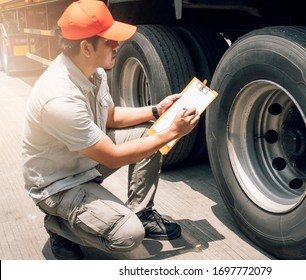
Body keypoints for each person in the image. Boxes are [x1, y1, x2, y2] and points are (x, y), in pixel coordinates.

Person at [21, 0, 199, 260]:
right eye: (109, 41)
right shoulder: (59, 97)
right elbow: (112, 156)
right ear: (85, 47)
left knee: (148, 132)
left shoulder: (92, 71)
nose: (117, 45)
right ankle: (59, 227)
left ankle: (141, 212)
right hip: (58, 184)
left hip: (81, 161)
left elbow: (110, 117)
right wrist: (172, 132)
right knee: (128, 236)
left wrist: (157, 111)